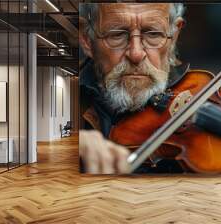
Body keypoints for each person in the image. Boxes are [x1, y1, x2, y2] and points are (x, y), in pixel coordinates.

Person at [79, 3, 187, 174]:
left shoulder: (194, 95)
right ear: (87, 40)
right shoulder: (74, 101)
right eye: (117, 34)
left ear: (173, 36)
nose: (136, 54)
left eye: (153, 33)